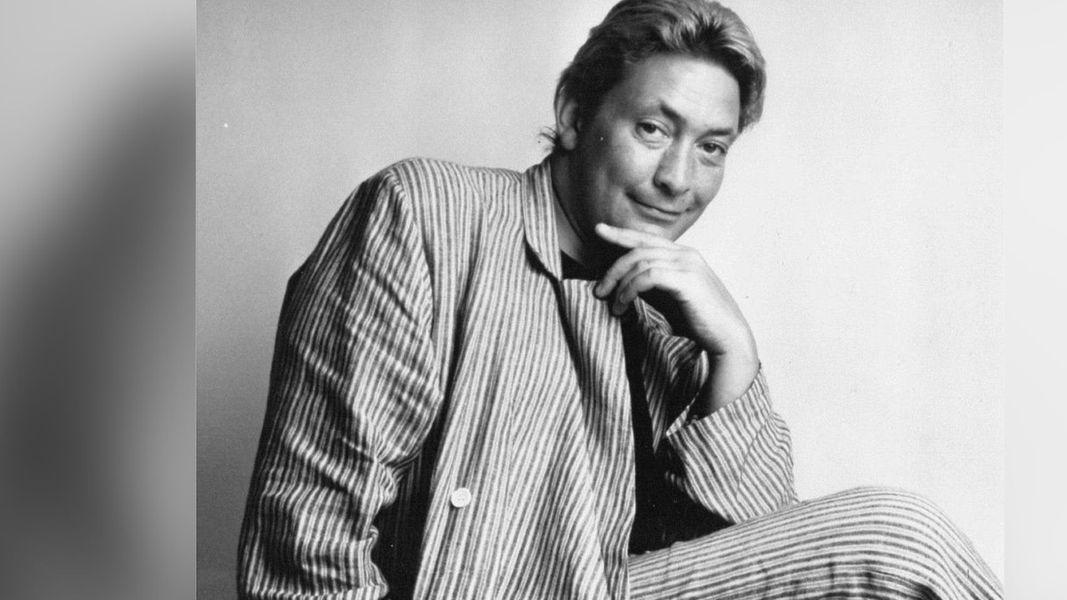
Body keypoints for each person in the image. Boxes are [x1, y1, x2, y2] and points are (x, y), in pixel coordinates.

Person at [237, 0, 1003, 598]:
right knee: (903, 540)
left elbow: (779, 564)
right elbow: (310, 528)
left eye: (712, 147)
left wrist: (732, 353)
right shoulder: (430, 216)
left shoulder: (670, 317)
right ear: (575, 115)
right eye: (653, 129)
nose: (678, 179)